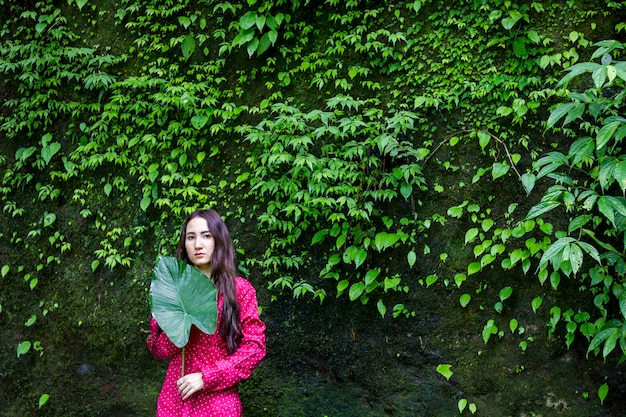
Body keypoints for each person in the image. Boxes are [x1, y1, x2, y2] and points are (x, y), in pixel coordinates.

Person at [147, 209, 266, 417]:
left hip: (217, 404)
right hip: (174, 400)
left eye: (206, 236)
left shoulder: (239, 290)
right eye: (191, 237)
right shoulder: (175, 291)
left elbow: (254, 348)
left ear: (218, 240)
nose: (198, 245)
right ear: (184, 244)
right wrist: (173, 321)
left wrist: (206, 377)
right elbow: (160, 351)